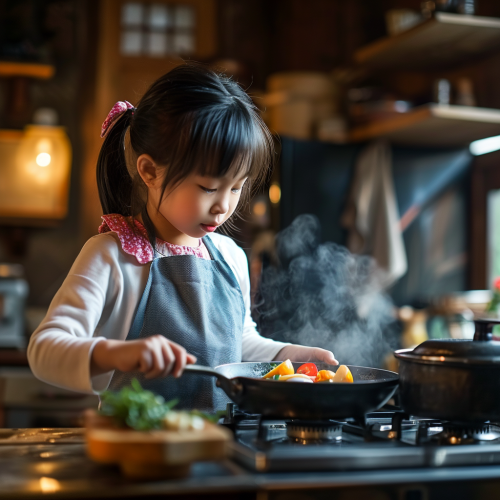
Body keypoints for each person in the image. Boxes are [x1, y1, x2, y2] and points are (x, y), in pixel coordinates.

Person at [27, 63, 338, 411]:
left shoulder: (230, 255)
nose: (223, 205)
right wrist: (116, 352)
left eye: (236, 187)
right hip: (139, 451)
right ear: (149, 171)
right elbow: (44, 350)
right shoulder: (111, 255)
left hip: (219, 448)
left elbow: (240, 343)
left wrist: (287, 355)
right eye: (208, 187)